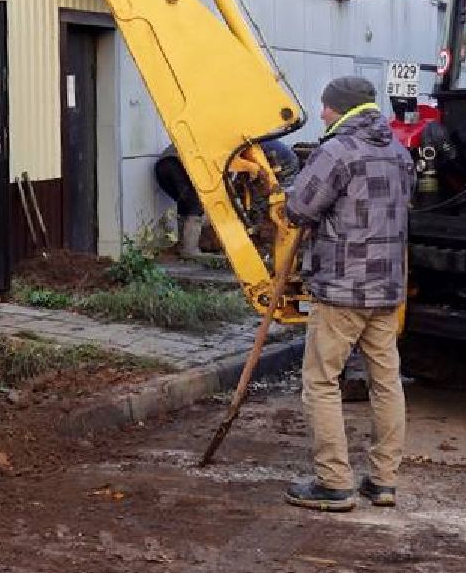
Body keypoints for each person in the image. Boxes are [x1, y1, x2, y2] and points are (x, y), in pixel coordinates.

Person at [282, 76, 415, 512]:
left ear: (341, 108)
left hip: (341, 290)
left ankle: (334, 483)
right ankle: (383, 482)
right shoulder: (398, 151)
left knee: (321, 381)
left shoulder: (336, 151)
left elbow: (298, 208)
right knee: (386, 382)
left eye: (325, 106)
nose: (321, 113)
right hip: (386, 288)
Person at [154, 139, 300, 258]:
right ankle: (189, 250)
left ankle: (184, 245)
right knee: (194, 205)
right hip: (177, 163)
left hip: (164, 165)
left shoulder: (238, 145)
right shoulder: (235, 149)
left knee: (188, 205)